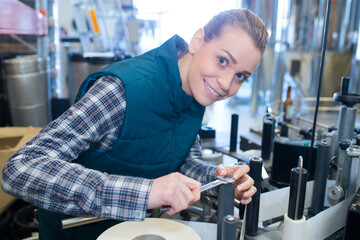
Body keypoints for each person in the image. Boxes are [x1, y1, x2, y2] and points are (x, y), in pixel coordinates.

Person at [1, 8, 268, 240]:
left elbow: (181, 157)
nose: (225, 84)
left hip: (135, 232)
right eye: (222, 60)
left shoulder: (196, 92)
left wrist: (217, 178)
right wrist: (145, 192)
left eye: (240, 76)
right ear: (197, 41)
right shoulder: (121, 91)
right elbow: (21, 168)